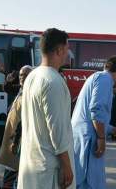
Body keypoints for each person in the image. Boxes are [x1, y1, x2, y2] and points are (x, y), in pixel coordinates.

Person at [18, 28, 75, 189]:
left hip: (32, 167)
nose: (68, 53)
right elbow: (57, 129)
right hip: (50, 171)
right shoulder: (53, 81)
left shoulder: (32, 77)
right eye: (67, 48)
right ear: (59, 50)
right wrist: (67, 166)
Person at [71, 56, 116, 189]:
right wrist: (101, 138)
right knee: (89, 183)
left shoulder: (96, 77)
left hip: (83, 137)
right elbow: (96, 112)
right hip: (88, 141)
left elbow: (97, 119)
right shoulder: (105, 80)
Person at [0, 65, 32, 189]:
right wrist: (9, 79)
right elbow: (7, 88)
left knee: (12, 171)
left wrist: (16, 142)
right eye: (21, 75)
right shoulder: (21, 89)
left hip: (17, 142)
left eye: (26, 75)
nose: (23, 78)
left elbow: (23, 121)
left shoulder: (30, 93)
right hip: (12, 139)